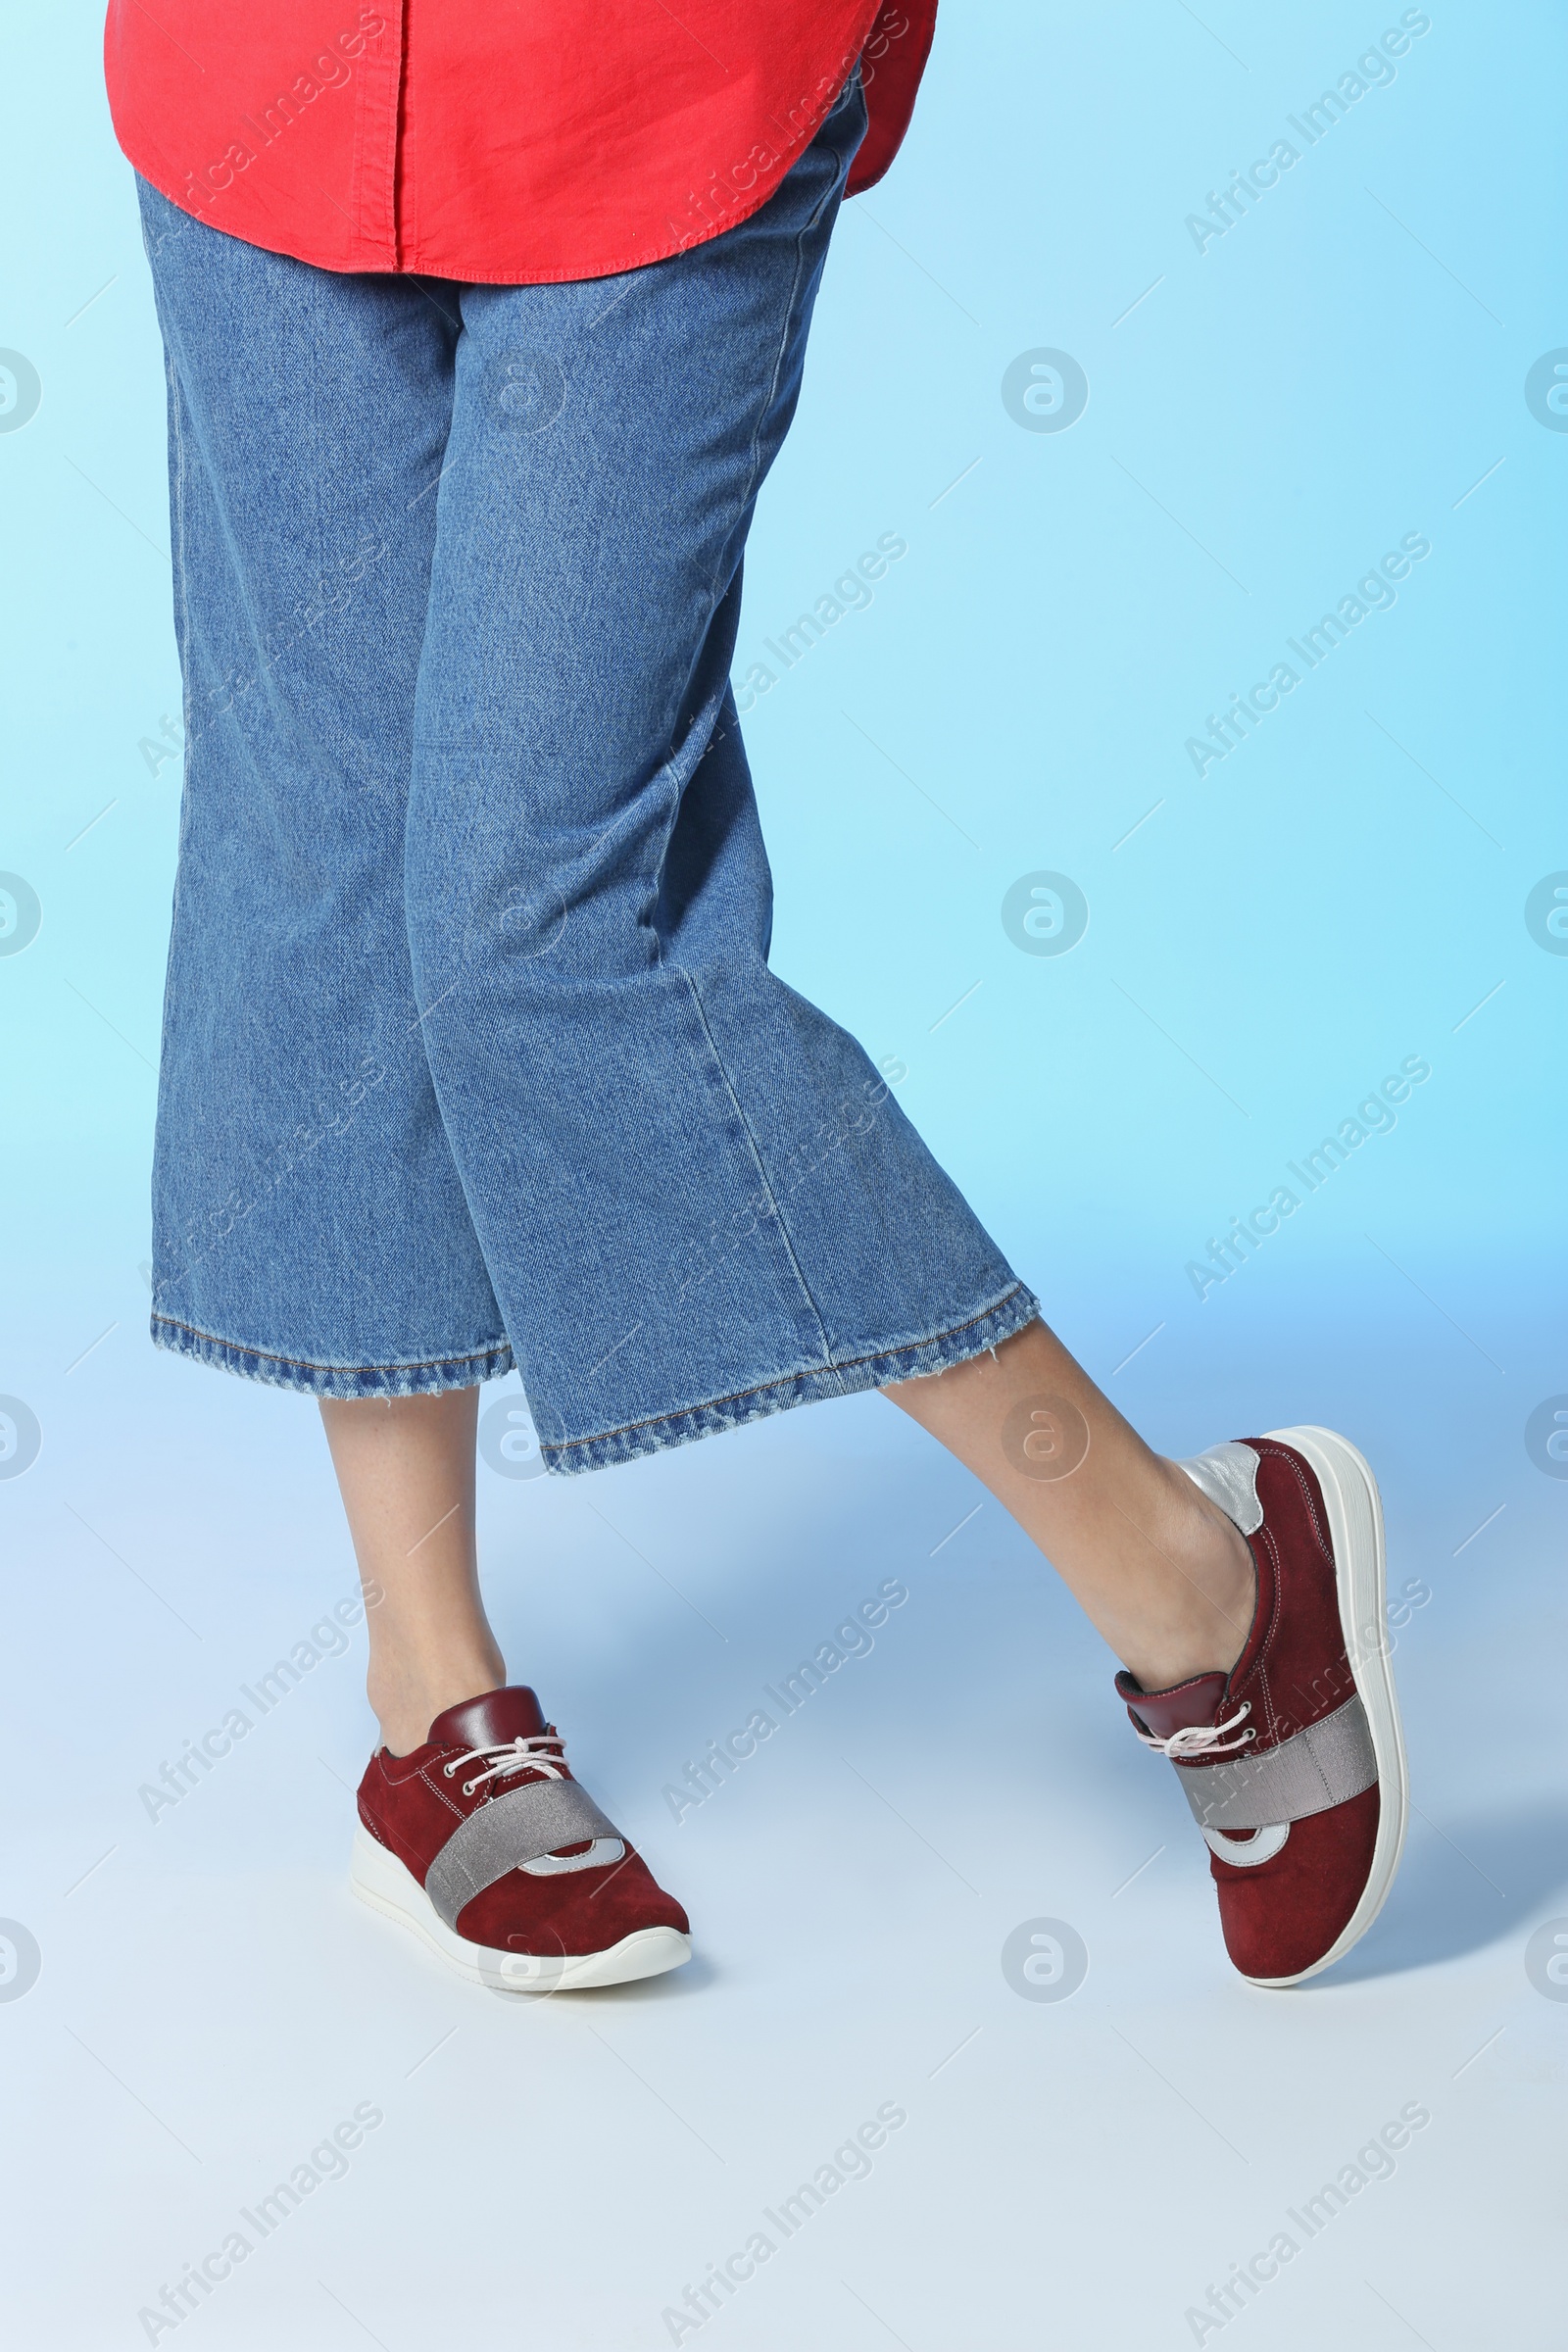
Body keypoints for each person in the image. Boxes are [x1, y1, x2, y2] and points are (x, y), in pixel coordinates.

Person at [106, 0, 1406, 1996]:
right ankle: (427, 1695)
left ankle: (1189, 1566)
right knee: (325, 861)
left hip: (657, 77)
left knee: (542, 935)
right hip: (253, 72)